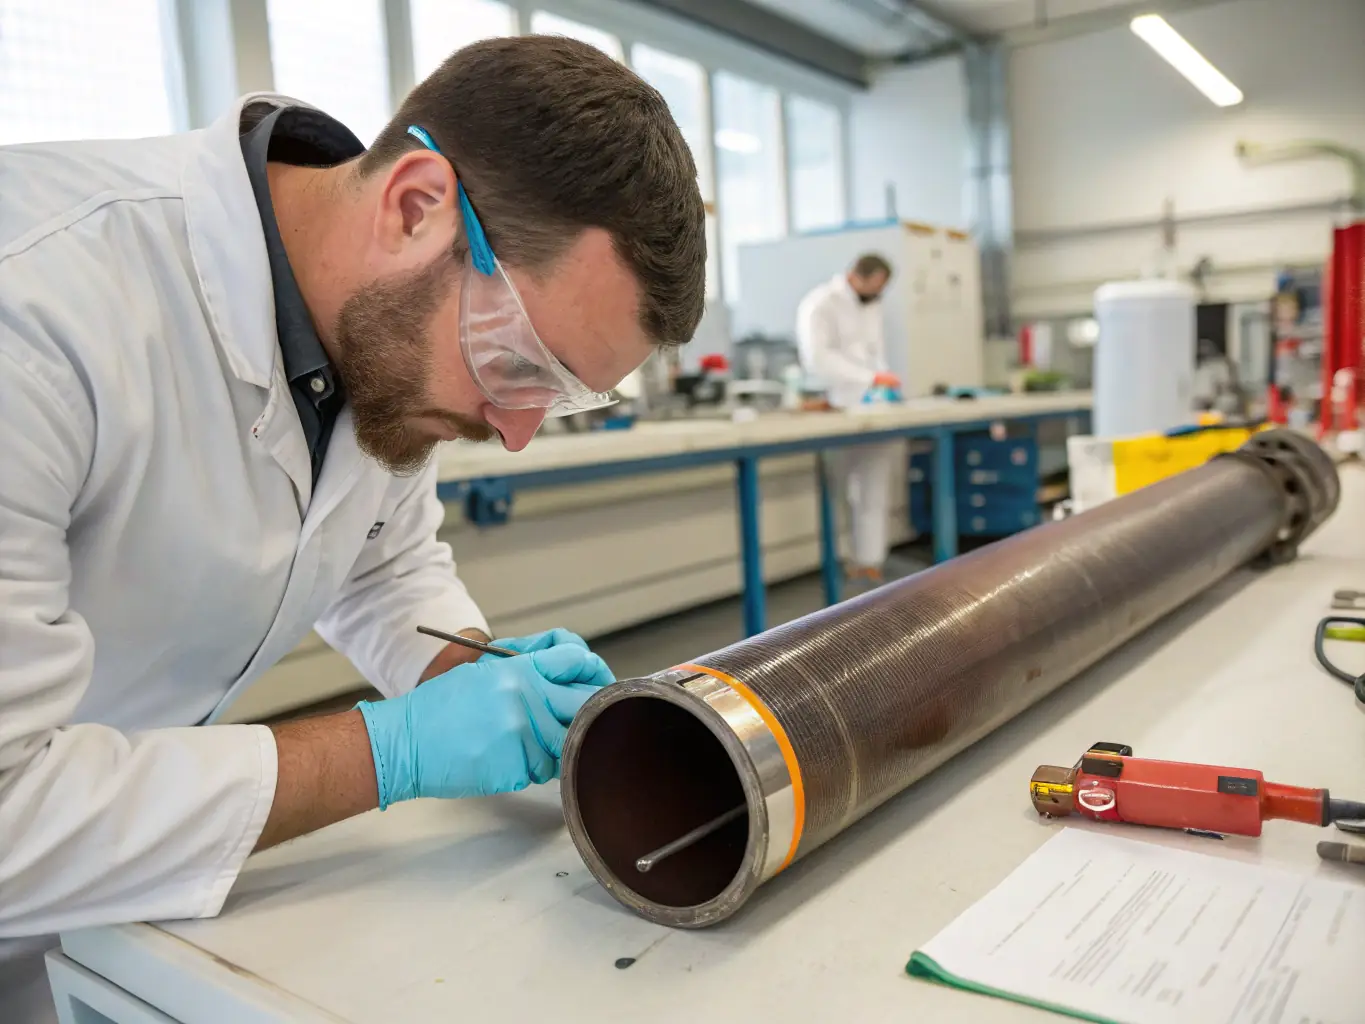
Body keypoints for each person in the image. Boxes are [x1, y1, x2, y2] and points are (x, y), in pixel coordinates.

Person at [0, 36, 705, 1018]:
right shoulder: (33, 307)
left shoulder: (377, 342)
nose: (514, 433)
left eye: (562, 397)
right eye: (521, 365)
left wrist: (477, 678)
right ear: (416, 205)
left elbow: (382, 567)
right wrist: (391, 751)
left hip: (98, 913)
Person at [796, 253, 900, 585]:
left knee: (874, 486)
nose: (877, 293)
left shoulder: (871, 305)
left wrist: (883, 381)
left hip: (873, 407)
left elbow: (874, 353)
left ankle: (869, 561)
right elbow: (819, 359)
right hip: (835, 408)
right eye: (874, 285)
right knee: (835, 489)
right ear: (856, 276)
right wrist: (869, 379)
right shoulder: (820, 304)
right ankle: (837, 559)